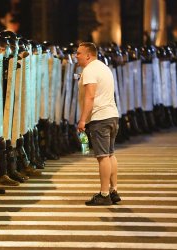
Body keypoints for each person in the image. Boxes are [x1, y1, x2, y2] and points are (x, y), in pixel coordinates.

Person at [76, 42, 121, 206]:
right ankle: (113, 190)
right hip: (112, 115)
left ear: (88, 55)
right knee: (110, 154)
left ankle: (104, 194)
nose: (76, 56)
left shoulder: (89, 70)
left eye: (79, 53)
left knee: (102, 157)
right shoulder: (103, 67)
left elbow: (90, 96)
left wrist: (82, 120)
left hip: (100, 118)